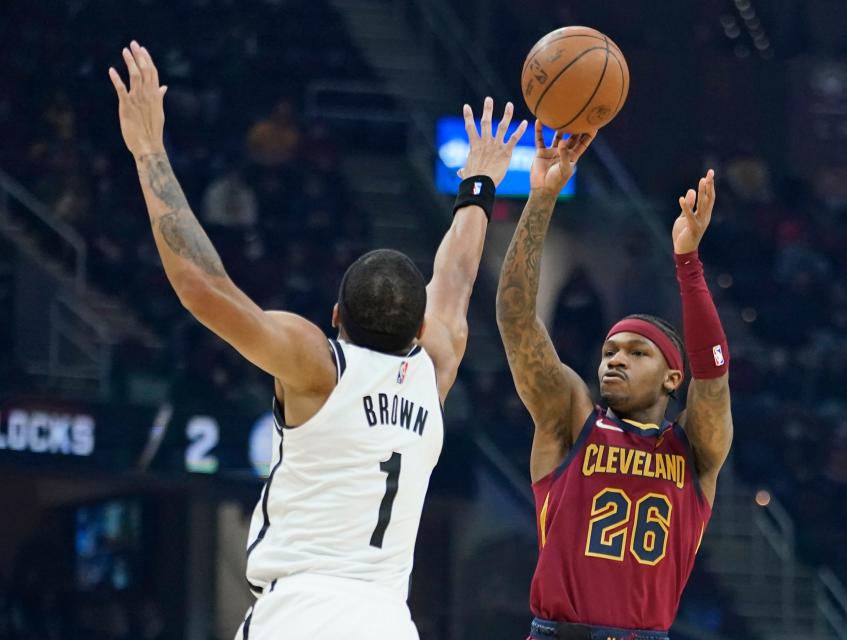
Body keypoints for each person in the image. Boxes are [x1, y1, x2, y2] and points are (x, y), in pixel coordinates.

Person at [108, 40, 528, 640]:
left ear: (335, 316)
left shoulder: (318, 368)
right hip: (389, 620)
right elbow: (455, 282)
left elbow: (204, 287)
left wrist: (148, 150)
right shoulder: (435, 368)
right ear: (417, 329)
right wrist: (480, 184)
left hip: (300, 613)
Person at [496, 121, 733, 639]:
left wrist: (688, 264)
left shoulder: (694, 450)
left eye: (635, 352)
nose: (614, 360)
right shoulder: (570, 418)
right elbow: (516, 318)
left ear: (674, 376)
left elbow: (713, 372)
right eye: (608, 351)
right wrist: (541, 197)